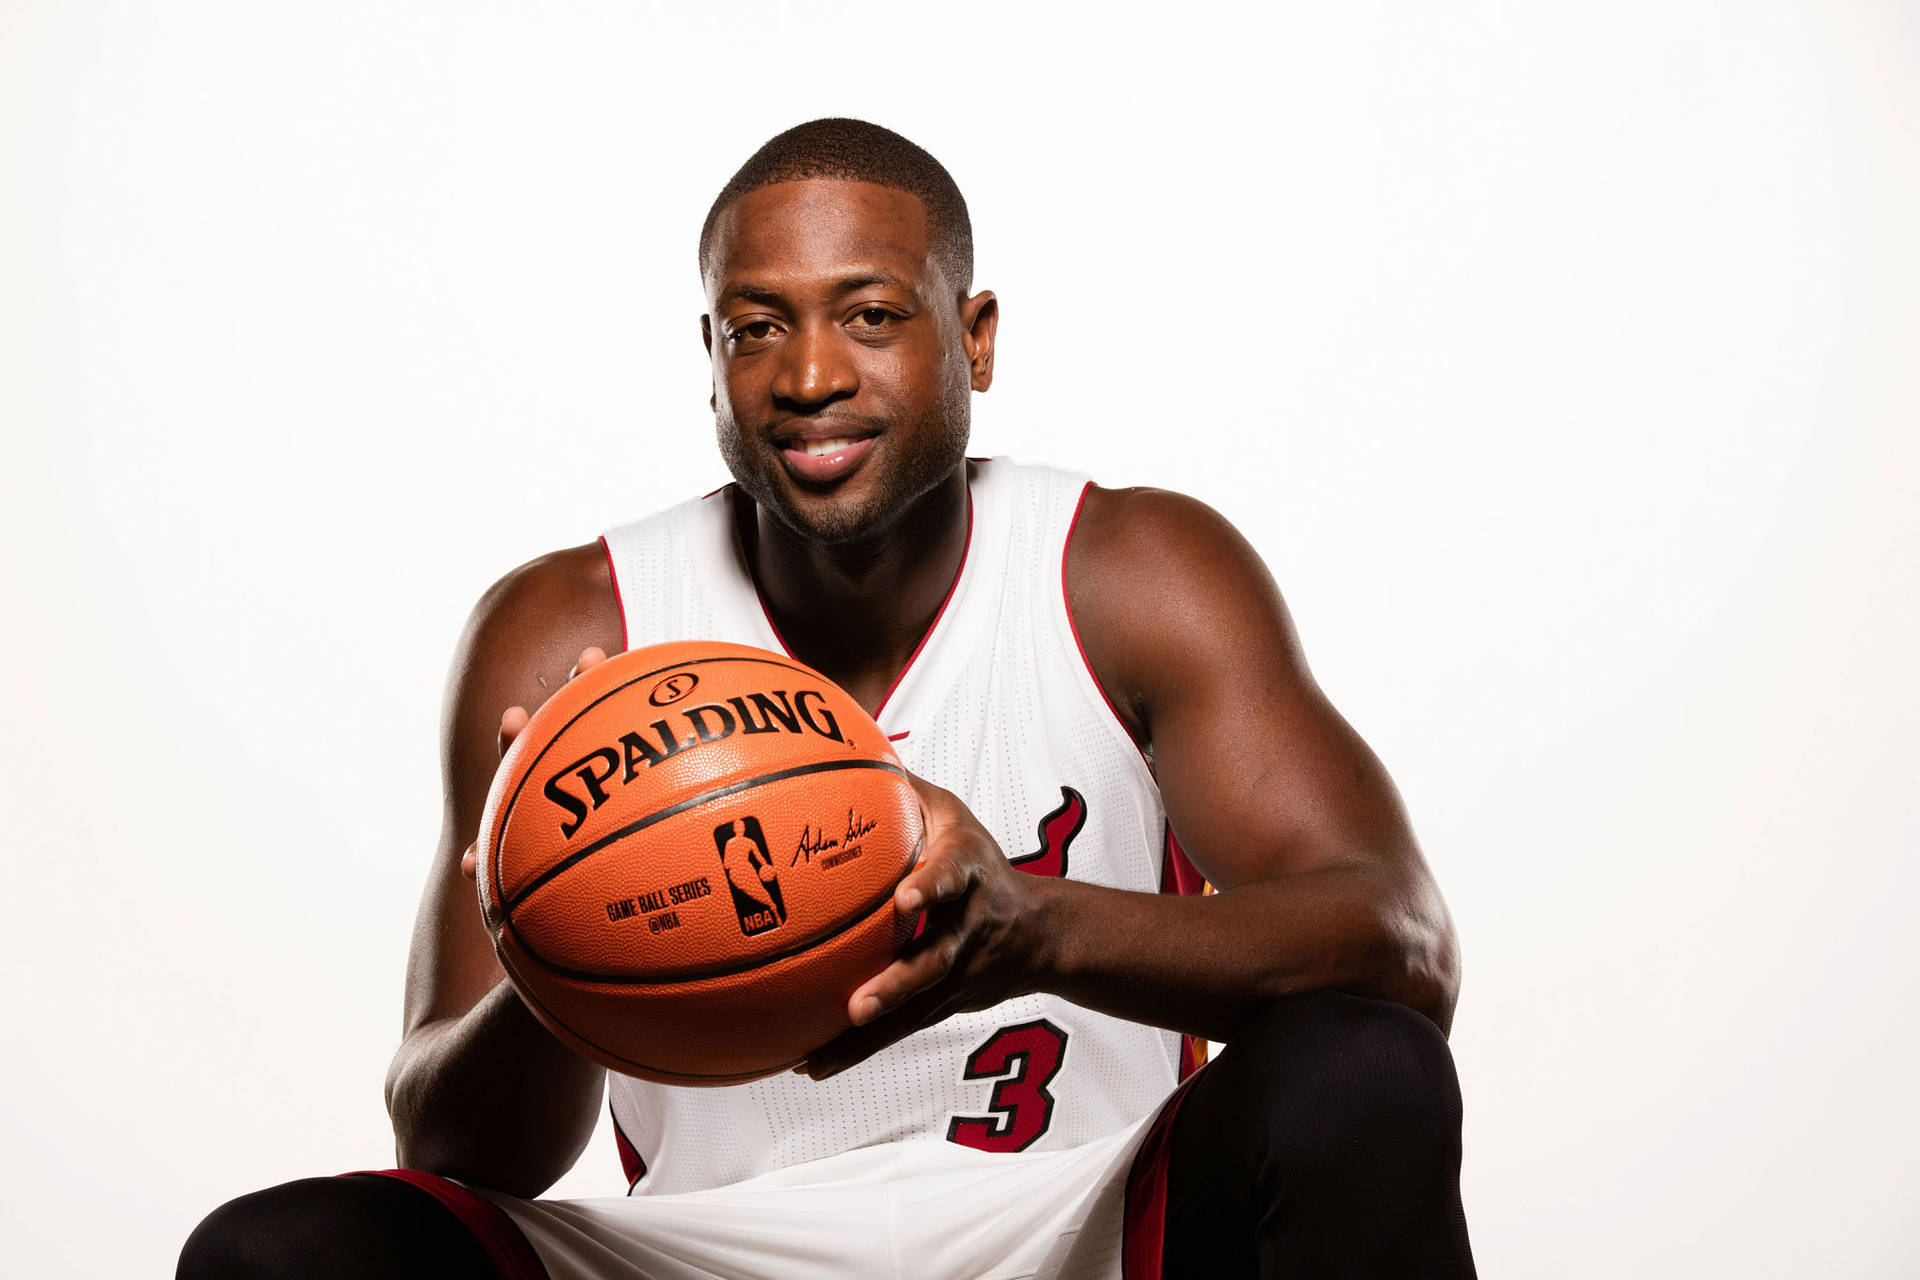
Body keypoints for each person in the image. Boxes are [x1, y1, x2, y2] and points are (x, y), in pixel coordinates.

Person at [179, 118, 1475, 1279]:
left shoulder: (1128, 572)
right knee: (278, 1256)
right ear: (708, 356)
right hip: (714, 1247)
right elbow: (451, 1139)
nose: (809, 376)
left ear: (973, 337)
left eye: (869, 315)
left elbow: (1400, 949)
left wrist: (1033, 932)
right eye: (756, 326)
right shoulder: (572, 630)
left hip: (1071, 1218)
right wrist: (560, 924)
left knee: (1364, 1076)